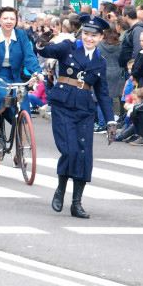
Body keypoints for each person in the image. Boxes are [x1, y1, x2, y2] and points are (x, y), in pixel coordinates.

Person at [35, 14, 115, 219]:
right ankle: (61, 188)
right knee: (70, 151)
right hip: (63, 105)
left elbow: (103, 93)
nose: (89, 38)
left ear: (100, 37)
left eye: (94, 35)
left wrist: (111, 121)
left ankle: (76, 203)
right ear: (81, 33)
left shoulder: (100, 60)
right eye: (86, 33)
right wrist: (42, 43)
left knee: (84, 154)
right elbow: (47, 50)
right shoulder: (69, 47)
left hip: (85, 109)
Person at [0, 7, 43, 139]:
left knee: (24, 111)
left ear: (16, 21)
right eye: (5, 18)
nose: (9, 21)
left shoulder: (21, 36)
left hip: (15, 76)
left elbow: (29, 55)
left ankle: (20, 155)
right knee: (4, 97)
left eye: (12, 18)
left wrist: (37, 72)